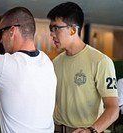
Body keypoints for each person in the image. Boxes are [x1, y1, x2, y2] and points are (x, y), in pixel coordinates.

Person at [46, 2, 119, 133]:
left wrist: (92, 131)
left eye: (56, 28)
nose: (52, 34)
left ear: (73, 29)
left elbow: (113, 108)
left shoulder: (101, 62)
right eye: (51, 29)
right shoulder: (55, 63)